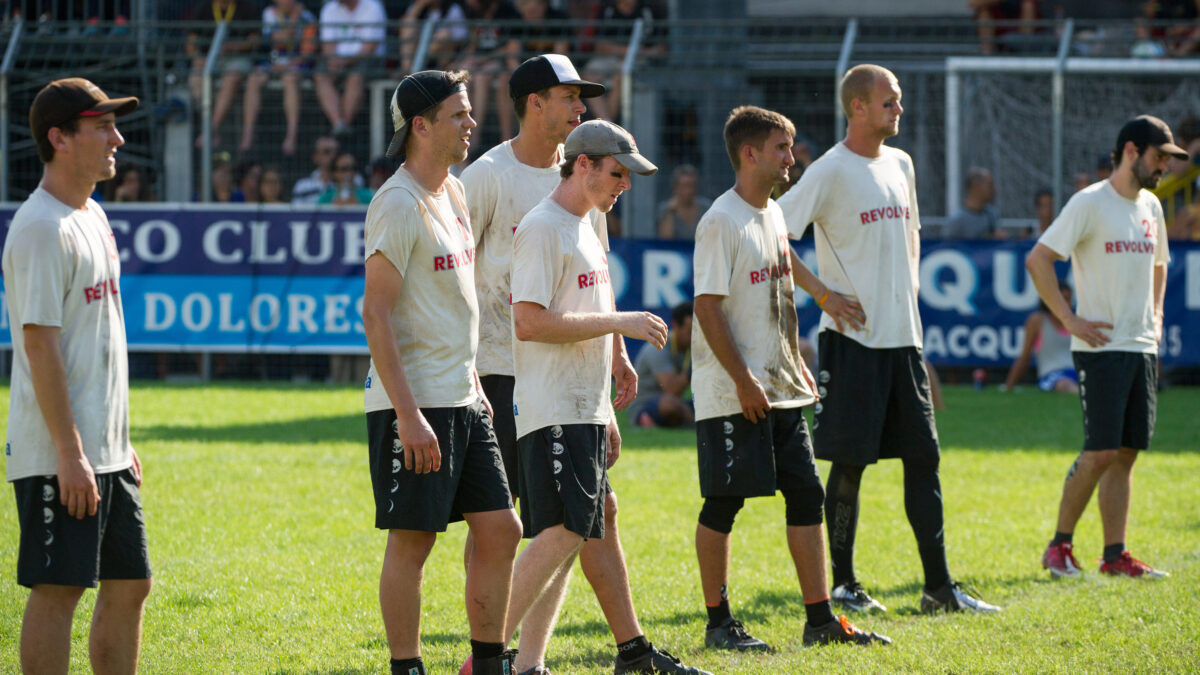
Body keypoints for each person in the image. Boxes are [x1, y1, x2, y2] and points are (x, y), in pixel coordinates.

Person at [459, 56, 705, 675]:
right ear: (534, 102)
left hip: (574, 383)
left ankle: (547, 661)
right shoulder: (493, 178)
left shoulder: (587, 206)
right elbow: (477, 288)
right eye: (571, 97)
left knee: (580, 517)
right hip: (505, 371)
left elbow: (595, 290)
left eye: (583, 101)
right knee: (514, 524)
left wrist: (616, 358)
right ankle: (487, 657)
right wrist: (466, 375)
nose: (580, 109)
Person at [777, 64, 1001, 615]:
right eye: (889, 102)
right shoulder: (829, 170)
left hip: (904, 342)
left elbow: (912, 240)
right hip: (851, 345)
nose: (898, 110)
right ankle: (846, 584)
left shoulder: (901, 163)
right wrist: (824, 296)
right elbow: (772, 233)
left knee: (924, 459)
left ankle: (938, 588)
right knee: (849, 465)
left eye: (897, 102)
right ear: (857, 106)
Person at [690, 105, 890, 653]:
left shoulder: (772, 214)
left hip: (781, 389)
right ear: (750, 153)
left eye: (792, 146)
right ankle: (718, 623)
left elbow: (782, 271)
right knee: (723, 504)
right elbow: (707, 309)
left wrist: (790, 356)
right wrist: (744, 380)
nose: (791, 157)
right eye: (782, 147)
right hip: (734, 395)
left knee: (805, 495)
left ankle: (820, 619)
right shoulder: (720, 220)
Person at [362, 69, 522, 675]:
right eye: (459, 114)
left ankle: (488, 663)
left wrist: (475, 386)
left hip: (464, 395)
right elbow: (375, 315)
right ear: (420, 126)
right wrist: (408, 415)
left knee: (502, 529)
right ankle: (407, 666)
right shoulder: (396, 204)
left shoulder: (452, 191)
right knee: (414, 542)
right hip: (416, 405)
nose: (471, 124)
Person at [4, 77, 151, 675]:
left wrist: (117, 444)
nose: (117, 138)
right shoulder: (40, 227)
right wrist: (70, 452)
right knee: (60, 590)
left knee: (131, 583)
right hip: (58, 454)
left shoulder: (91, 213)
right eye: (102, 127)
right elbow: (39, 348)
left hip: (104, 452)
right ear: (59, 138)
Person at [1028, 115, 1181, 580]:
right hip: (1099, 349)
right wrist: (1069, 318)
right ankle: (1059, 547)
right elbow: (1039, 259)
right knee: (1100, 450)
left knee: (1127, 451)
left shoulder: (1152, 206)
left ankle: (1115, 554)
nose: (1163, 169)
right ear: (1131, 151)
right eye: (1159, 158)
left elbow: (1160, 265)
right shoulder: (1090, 203)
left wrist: (1154, 317)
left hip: (1140, 347)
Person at [242, 0, 318, 155]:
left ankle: (291, 135)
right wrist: (294, 22)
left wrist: (296, 17)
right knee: (254, 78)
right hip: (274, 62)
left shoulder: (308, 17)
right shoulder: (270, 13)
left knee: (289, 79)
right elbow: (278, 40)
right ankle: (248, 133)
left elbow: (308, 51)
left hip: (298, 64)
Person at [186, 0, 261, 148]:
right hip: (209, 59)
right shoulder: (203, 7)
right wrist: (197, 58)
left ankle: (211, 129)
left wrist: (232, 47)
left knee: (232, 77)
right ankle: (211, 129)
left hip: (237, 58)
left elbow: (254, 42)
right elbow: (190, 43)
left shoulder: (247, 7)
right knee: (195, 79)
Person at [315, 0, 387, 136]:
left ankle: (344, 125)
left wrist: (345, 61)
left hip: (368, 60)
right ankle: (338, 124)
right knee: (320, 75)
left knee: (355, 76)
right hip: (337, 61)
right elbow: (328, 45)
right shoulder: (329, 8)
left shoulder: (373, 7)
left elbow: (370, 47)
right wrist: (333, 60)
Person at [1002, 280, 1079, 393]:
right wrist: (1009, 386)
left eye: (1068, 299)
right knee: (1064, 384)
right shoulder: (1037, 321)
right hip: (1053, 375)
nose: (1066, 304)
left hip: (1078, 372)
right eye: (1062, 299)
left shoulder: (1078, 322)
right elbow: (1025, 356)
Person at [629, 301, 694, 428]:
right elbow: (671, 390)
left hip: (676, 402)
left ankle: (685, 421)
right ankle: (694, 425)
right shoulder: (657, 347)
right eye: (690, 331)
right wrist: (694, 366)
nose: (694, 336)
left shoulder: (688, 348)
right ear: (675, 325)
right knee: (669, 404)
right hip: (644, 406)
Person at [656, 164, 711, 240]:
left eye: (692, 185)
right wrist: (670, 213)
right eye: (685, 186)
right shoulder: (665, 209)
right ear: (676, 187)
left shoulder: (706, 208)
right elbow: (665, 240)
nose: (689, 191)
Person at [942, 166, 999, 239]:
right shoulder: (956, 221)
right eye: (990, 185)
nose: (995, 190)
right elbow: (947, 248)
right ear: (976, 186)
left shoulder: (992, 215)